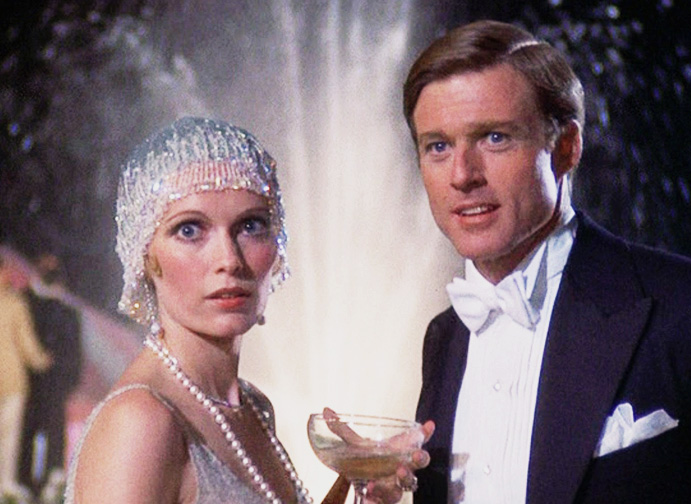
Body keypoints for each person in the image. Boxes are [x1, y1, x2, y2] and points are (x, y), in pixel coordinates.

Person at [403, 19, 691, 504]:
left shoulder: (685, 308)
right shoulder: (444, 339)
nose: (462, 175)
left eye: (494, 138)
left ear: (567, 148)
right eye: (438, 146)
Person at [64, 117, 431, 503]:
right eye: (189, 230)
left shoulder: (252, 408)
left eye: (250, 226)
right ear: (145, 256)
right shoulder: (141, 422)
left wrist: (360, 488)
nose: (229, 259)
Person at [19, 253, 82, 494]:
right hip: (30, 383)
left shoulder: (68, 310)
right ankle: (23, 484)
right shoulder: (25, 302)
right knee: (26, 433)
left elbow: (74, 350)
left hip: (56, 384)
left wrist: (70, 381)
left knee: (55, 433)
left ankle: (52, 483)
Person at [0, 256, 53, 494]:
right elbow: (26, 343)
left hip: (11, 380)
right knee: (9, 435)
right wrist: (42, 360)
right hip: (12, 379)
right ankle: (5, 485)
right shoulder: (14, 303)